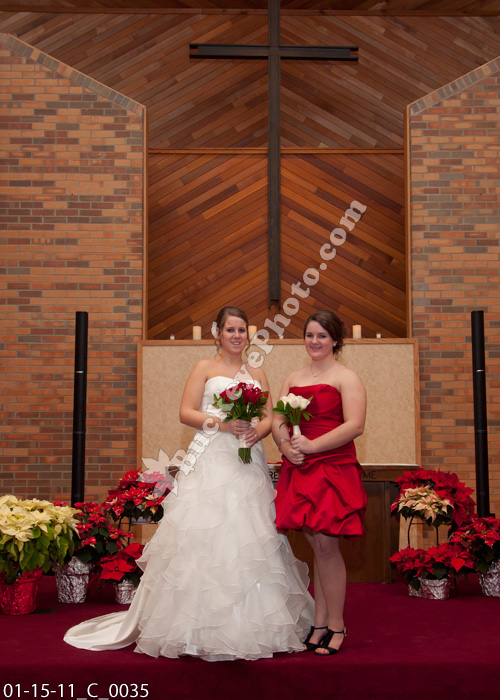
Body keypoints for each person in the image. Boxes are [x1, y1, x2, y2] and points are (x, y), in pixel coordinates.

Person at [64, 306, 313, 661]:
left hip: (247, 459)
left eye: (242, 330)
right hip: (212, 456)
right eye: (230, 329)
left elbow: (267, 416)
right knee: (206, 532)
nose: (237, 335)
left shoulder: (257, 371)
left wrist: (254, 433)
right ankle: (196, 629)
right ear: (218, 333)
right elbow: (186, 412)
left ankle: (254, 625)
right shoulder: (204, 368)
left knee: (250, 530)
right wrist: (223, 425)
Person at [272, 310, 367, 657]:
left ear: (335, 340)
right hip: (300, 466)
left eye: (322, 336)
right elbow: (278, 419)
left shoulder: (347, 377)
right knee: (317, 547)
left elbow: (355, 425)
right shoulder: (293, 377)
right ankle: (320, 622)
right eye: (310, 335)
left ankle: (337, 625)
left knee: (327, 548)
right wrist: (286, 446)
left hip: (332, 467)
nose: (314, 341)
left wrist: (313, 446)